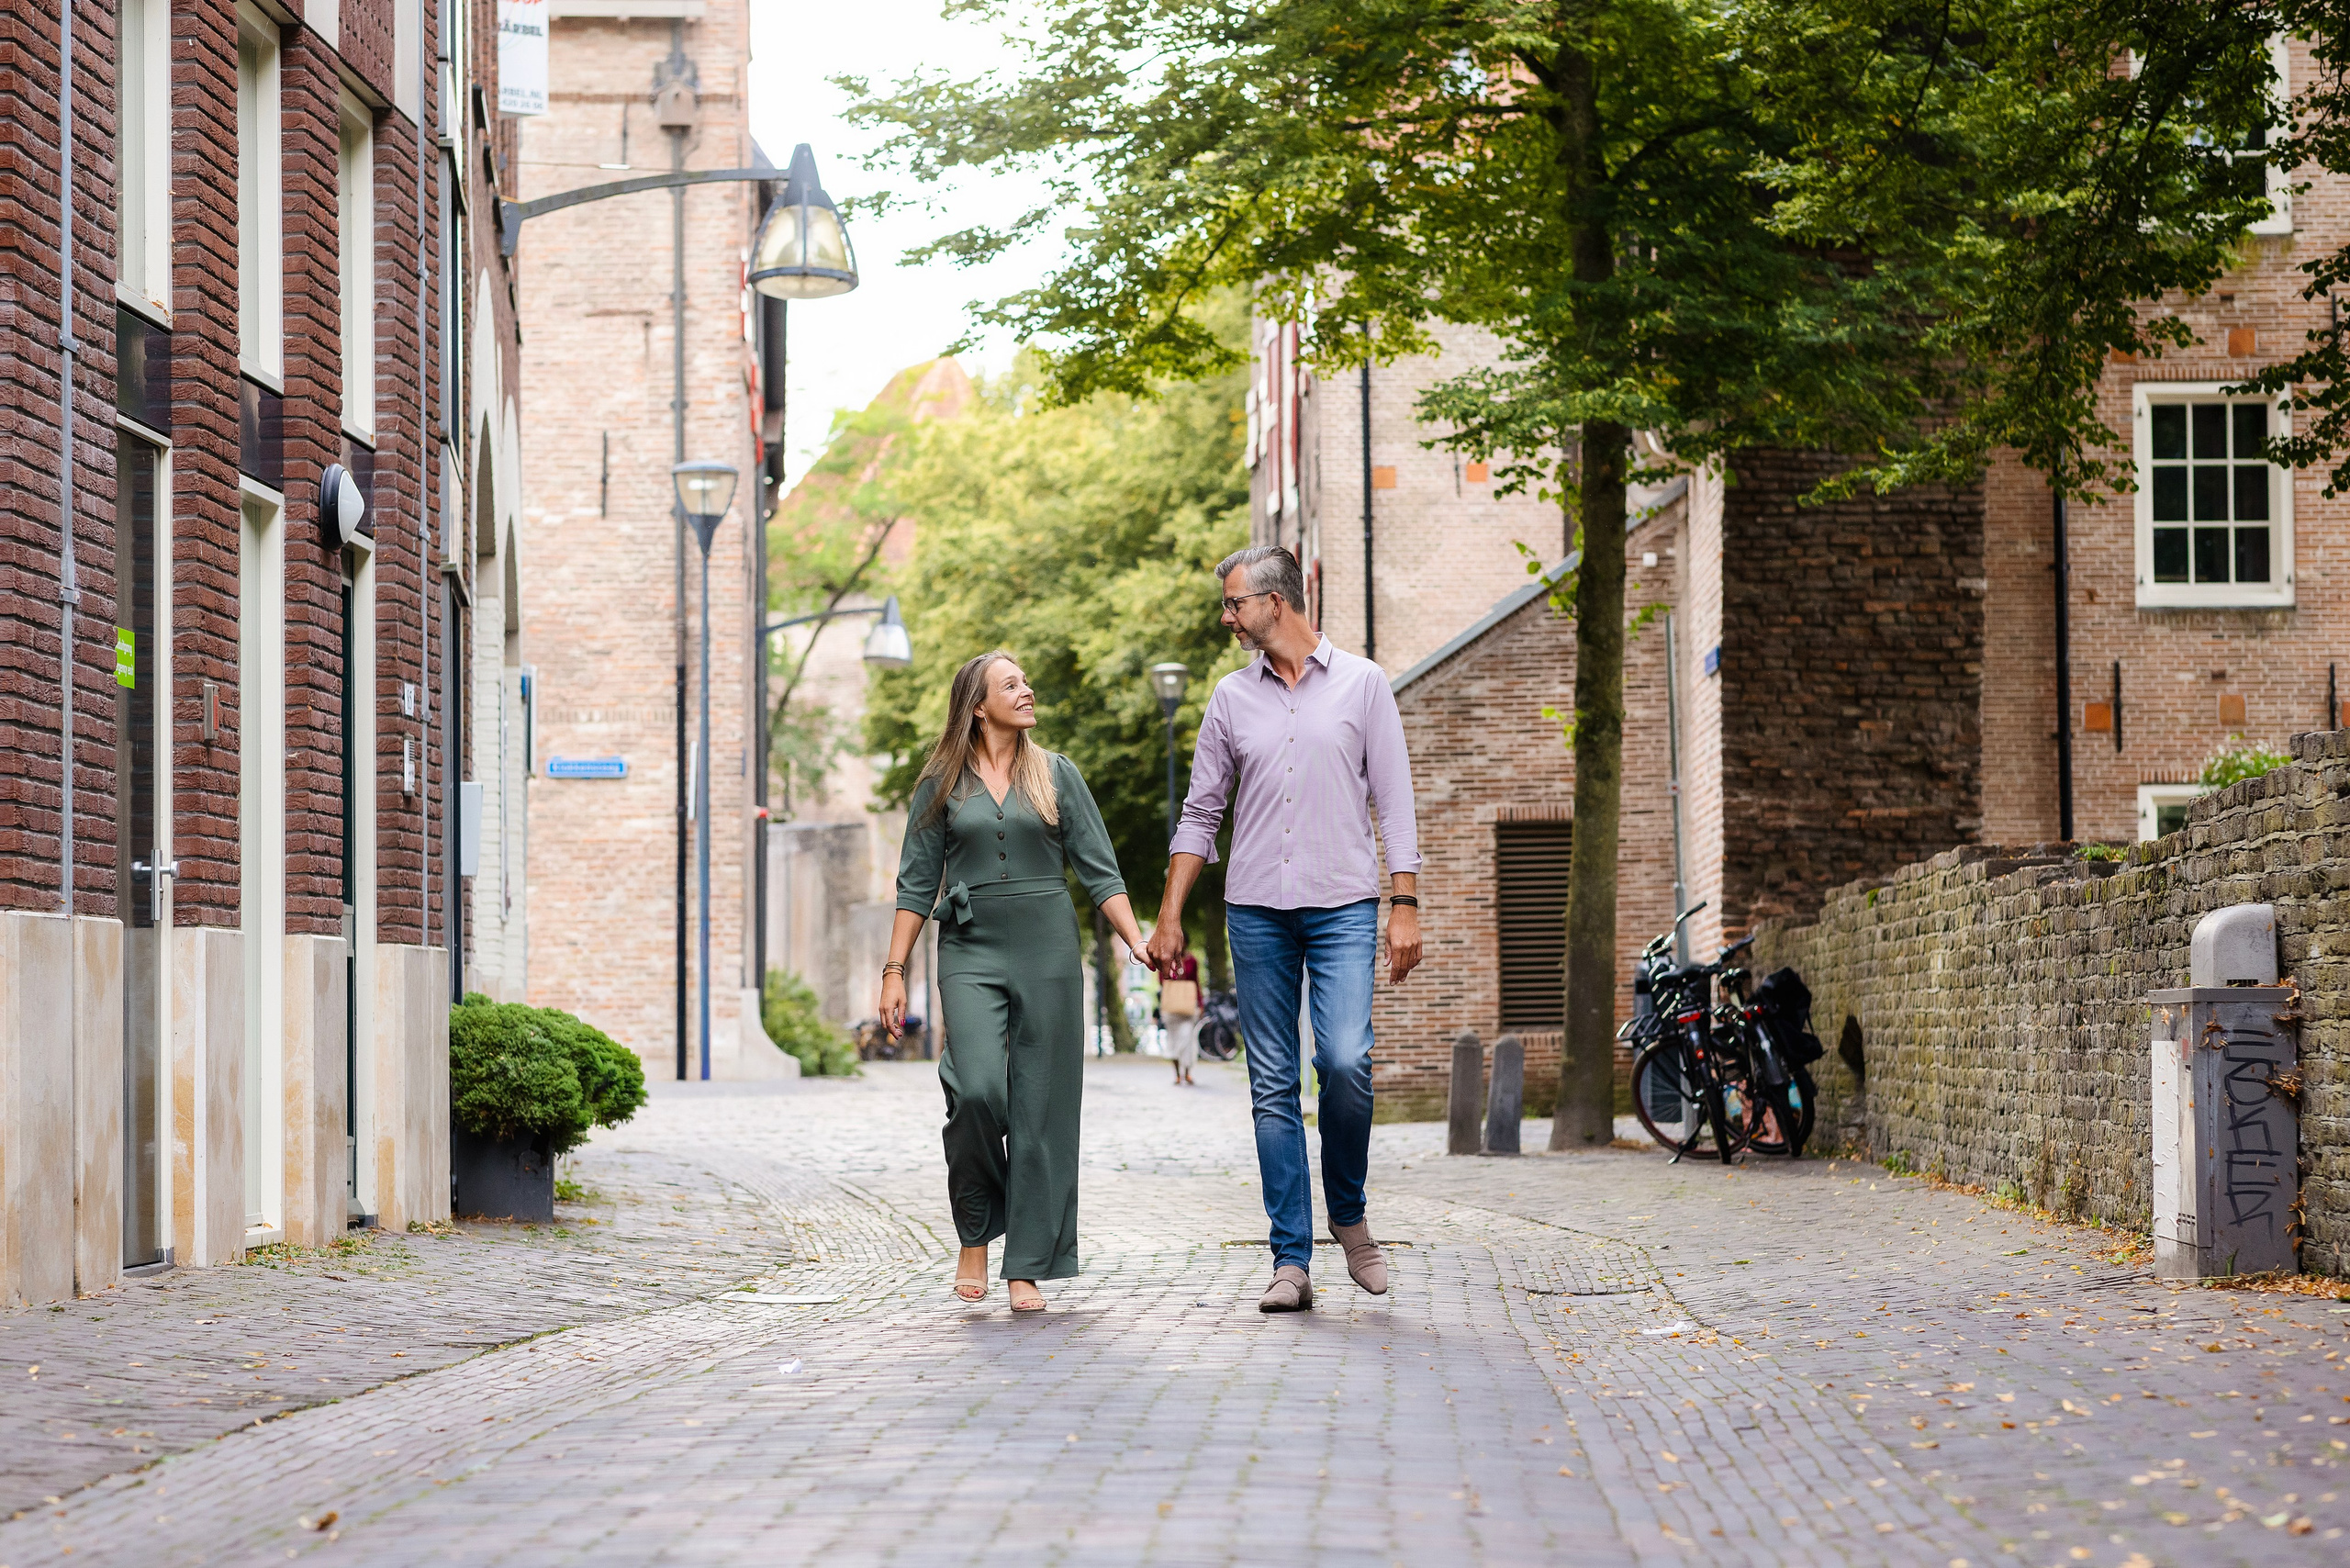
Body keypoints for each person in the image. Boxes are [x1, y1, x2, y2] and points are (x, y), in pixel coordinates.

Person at [1146, 546, 1423, 1314]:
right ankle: (1291, 1260)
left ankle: (1350, 1215)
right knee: (1273, 1086)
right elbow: (1201, 812)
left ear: (1277, 603)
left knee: (1343, 1061)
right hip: (1257, 911)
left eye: (1235, 604)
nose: (1227, 619)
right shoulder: (1230, 700)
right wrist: (1169, 913)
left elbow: (1394, 803)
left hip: (1342, 907)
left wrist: (1405, 902)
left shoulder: (1364, 685)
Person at [878, 651, 1148, 1315]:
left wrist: (1135, 939)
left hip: (1049, 950)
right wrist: (894, 970)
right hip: (969, 949)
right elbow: (916, 882)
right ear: (977, 705)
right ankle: (977, 1229)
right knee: (975, 1091)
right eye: (1011, 685)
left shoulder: (1057, 774)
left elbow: (1100, 870)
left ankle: (1025, 1264)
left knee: (1041, 1109)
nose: (1027, 691)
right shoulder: (940, 782)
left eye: (1025, 682)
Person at [1157, 950, 1202, 1086]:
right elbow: (1161, 979)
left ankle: (1187, 1072)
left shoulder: (1191, 960)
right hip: (1171, 1007)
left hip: (1188, 1006)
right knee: (1173, 1040)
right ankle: (1177, 1074)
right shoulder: (1165, 959)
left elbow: (1196, 982)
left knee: (1187, 1039)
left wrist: (1200, 1002)